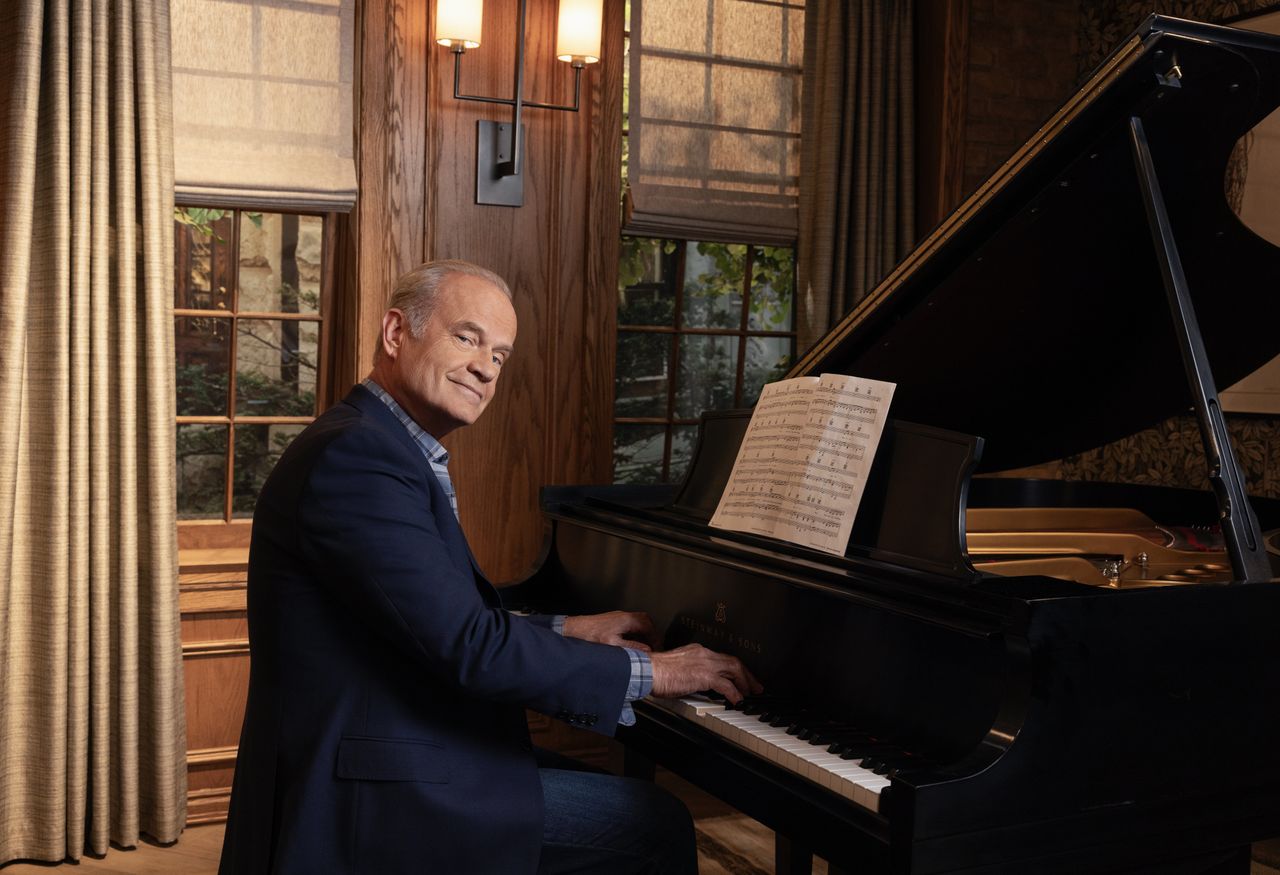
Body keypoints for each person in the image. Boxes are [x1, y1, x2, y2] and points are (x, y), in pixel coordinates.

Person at [218, 260, 761, 874]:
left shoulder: (379, 443)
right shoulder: (359, 457)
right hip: (366, 786)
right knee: (650, 823)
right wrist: (652, 670)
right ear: (397, 334)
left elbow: (433, 619)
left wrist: (569, 631)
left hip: (391, 750)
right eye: (467, 337)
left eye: (501, 356)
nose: (486, 367)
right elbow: (467, 645)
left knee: (618, 803)